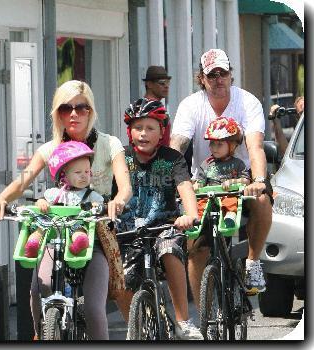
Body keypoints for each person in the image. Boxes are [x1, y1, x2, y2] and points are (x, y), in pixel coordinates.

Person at [0, 80, 132, 340]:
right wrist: (1, 199)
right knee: (37, 290)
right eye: (66, 109)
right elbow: (24, 180)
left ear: (91, 111)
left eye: (81, 107)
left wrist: (117, 201)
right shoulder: (51, 147)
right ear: (58, 114)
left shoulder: (109, 144)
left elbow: (124, 185)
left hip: (96, 235)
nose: (74, 114)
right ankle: (41, 334)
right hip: (56, 235)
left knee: (93, 308)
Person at [170, 49, 273, 308]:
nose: (218, 79)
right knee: (195, 248)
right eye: (211, 75)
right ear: (202, 79)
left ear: (231, 75)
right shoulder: (191, 105)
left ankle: (252, 262)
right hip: (203, 183)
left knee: (262, 199)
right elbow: (176, 147)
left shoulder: (247, 102)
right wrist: (169, 179)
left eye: (223, 73)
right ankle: (205, 311)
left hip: (242, 180)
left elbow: (255, 147)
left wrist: (258, 179)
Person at [114, 98, 203, 340]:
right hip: (128, 231)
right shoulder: (121, 157)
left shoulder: (172, 158)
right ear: (129, 131)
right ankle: (136, 326)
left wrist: (190, 214)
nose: (143, 133)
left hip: (165, 225)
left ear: (162, 131)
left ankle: (184, 321)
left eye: (150, 128)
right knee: (119, 279)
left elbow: (185, 187)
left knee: (168, 251)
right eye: (138, 127)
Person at [24, 141, 104, 258]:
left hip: (74, 223)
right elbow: (41, 200)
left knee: (79, 229)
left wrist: (97, 206)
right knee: (40, 226)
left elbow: (99, 204)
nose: (84, 175)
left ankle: (79, 242)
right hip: (52, 227)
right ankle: (33, 243)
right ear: (63, 175)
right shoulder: (56, 193)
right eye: (78, 172)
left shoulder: (89, 195)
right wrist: (41, 202)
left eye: (87, 172)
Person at [194, 117, 251, 228]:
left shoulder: (238, 163)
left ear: (232, 145)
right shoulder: (206, 164)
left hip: (227, 194)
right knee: (199, 204)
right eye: (212, 143)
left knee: (231, 202)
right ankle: (196, 222)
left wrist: (232, 182)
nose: (214, 148)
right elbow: (201, 180)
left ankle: (230, 217)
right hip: (209, 196)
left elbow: (246, 181)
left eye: (219, 144)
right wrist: (198, 184)